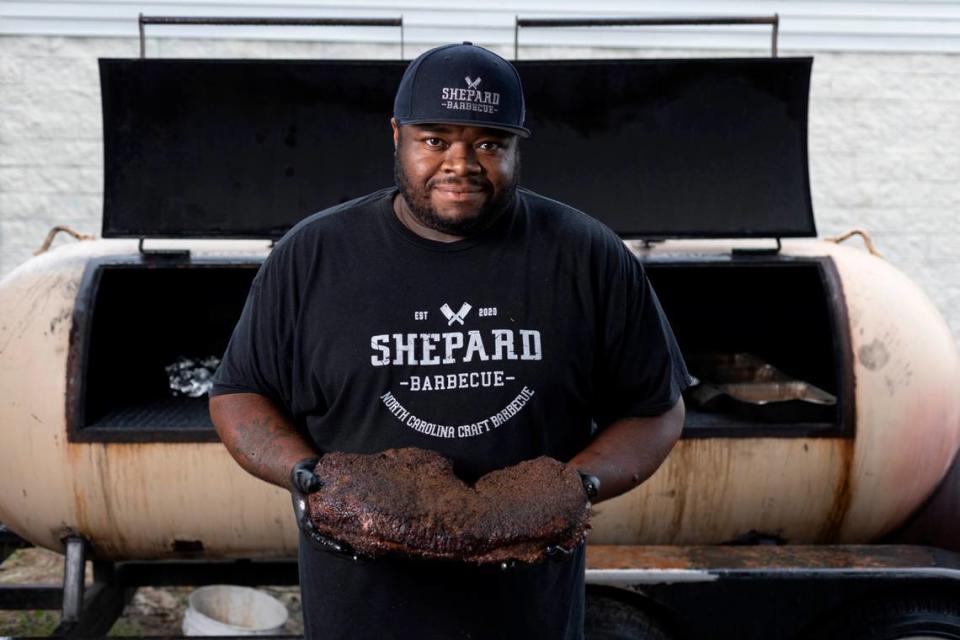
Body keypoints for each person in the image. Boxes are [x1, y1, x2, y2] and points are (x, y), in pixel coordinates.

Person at [209, 42, 690, 640]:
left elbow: (655, 408)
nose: (460, 164)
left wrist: (577, 486)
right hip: (361, 607)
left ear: (516, 147)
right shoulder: (313, 256)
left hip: (527, 610)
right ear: (398, 136)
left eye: (488, 143)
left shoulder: (586, 254)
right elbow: (240, 393)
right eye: (435, 140)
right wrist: (305, 474)